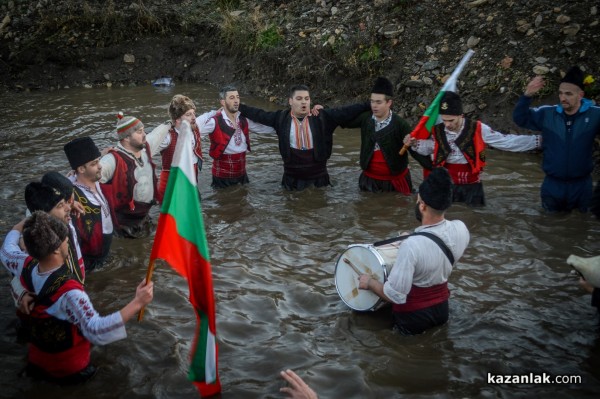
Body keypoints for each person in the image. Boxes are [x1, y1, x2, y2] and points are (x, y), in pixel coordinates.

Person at [19, 211, 153, 384]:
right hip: (67, 372)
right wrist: (137, 302)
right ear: (56, 249)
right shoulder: (70, 293)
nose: (68, 241)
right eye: (65, 239)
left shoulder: (27, 266)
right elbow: (96, 330)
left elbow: (7, 252)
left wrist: (23, 293)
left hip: (37, 364)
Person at [358, 168, 470, 335]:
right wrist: (413, 237)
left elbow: (394, 295)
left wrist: (369, 283)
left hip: (413, 317)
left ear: (423, 206)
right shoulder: (461, 229)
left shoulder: (411, 246)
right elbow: (438, 245)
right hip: (442, 311)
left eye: (418, 201)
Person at [405, 91, 542, 206]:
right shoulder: (437, 130)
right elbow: (430, 149)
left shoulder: (478, 128)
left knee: (473, 221)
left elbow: (505, 142)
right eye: (444, 120)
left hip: (471, 187)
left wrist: (538, 141)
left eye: (451, 120)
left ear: (461, 115)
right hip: (446, 187)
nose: (447, 124)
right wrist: (415, 144)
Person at [239, 84, 370, 190]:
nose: (304, 103)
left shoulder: (322, 117)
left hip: (319, 179)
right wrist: (237, 107)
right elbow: (258, 114)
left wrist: (370, 104)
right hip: (291, 180)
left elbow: (347, 111)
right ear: (290, 101)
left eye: (307, 99)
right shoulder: (280, 118)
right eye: (299, 99)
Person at [513, 65, 600, 212]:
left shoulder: (594, 116)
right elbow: (520, 118)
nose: (563, 98)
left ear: (580, 95)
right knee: (550, 227)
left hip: (582, 186)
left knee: (582, 226)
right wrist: (527, 95)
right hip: (553, 185)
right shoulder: (547, 114)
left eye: (568, 94)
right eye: (560, 93)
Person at [99, 112, 169, 238]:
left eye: (143, 130)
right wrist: (75, 175)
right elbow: (89, 177)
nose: (144, 135)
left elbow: (157, 134)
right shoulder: (111, 160)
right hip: (123, 225)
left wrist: (172, 122)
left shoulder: (145, 150)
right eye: (139, 132)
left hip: (144, 218)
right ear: (126, 138)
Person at [343, 77, 413, 193]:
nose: (374, 106)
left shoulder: (401, 124)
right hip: (369, 179)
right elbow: (343, 120)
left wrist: (413, 142)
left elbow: (416, 150)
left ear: (389, 103)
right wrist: (322, 112)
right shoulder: (365, 118)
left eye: (378, 102)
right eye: (372, 101)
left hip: (395, 182)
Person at [198, 85, 275, 188]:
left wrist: (284, 127)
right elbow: (195, 134)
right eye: (232, 98)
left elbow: (263, 129)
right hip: (222, 176)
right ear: (222, 102)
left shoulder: (243, 120)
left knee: (243, 201)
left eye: (237, 97)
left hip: (242, 174)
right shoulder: (214, 121)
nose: (236, 101)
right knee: (224, 202)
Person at [64, 136, 113, 270]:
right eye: (94, 163)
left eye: (98, 161)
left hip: (104, 251)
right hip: (87, 262)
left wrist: (103, 154)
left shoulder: (95, 178)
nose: (100, 166)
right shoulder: (70, 194)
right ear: (81, 169)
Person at [156, 94, 204, 201]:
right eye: (188, 114)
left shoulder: (195, 129)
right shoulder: (167, 137)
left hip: (191, 184)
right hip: (171, 188)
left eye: (193, 113)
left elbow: (206, 118)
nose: (193, 118)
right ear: (177, 119)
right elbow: (145, 149)